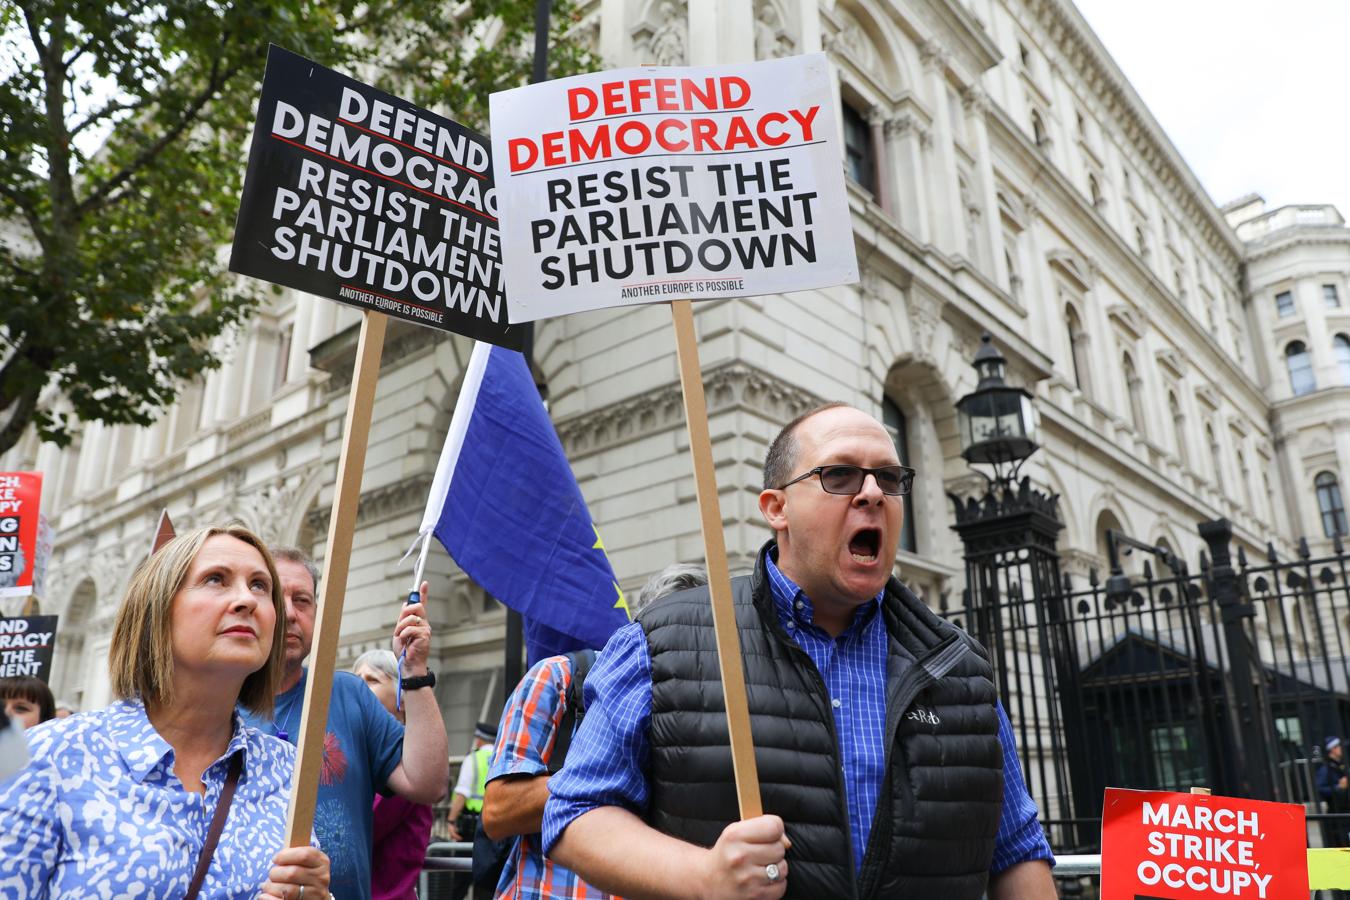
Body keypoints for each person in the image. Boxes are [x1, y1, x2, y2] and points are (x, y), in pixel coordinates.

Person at [545, 403, 1057, 899]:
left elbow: (1014, 850)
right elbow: (575, 814)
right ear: (776, 508)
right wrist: (703, 877)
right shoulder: (665, 639)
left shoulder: (957, 666)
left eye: (890, 477)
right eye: (839, 475)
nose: (874, 493)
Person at [0, 524, 330, 898]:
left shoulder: (285, 769)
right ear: (156, 609)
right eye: (216, 579)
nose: (247, 600)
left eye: (259, 586)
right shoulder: (44, 756)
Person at [482, 563, 709, 900]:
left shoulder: (715, 710)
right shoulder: (559, 678)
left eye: (701, 635)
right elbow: (499, 812)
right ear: (643, 631)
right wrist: (615, 773)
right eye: (675, 635)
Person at [240, 547, 449, 900]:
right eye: (278, 597)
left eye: (303, 600)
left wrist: (413, 670)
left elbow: (428, 783)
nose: (291, 613)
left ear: (318, 615)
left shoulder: (348, 693)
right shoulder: (216, 701)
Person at [353, 649, 435, 900]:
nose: (359, 688)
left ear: (401, 697)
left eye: (373, 680)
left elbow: (357, 827)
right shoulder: (359, 749)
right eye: (357, 680)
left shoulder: (406, 752)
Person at [1318, 736, 1350, 847]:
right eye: (1338, 746)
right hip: (1337, 813)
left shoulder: (1341, 766)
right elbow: (1320, 789)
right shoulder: (1326, 769)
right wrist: (1338, 787)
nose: (1341, 748)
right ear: (1332, 749)